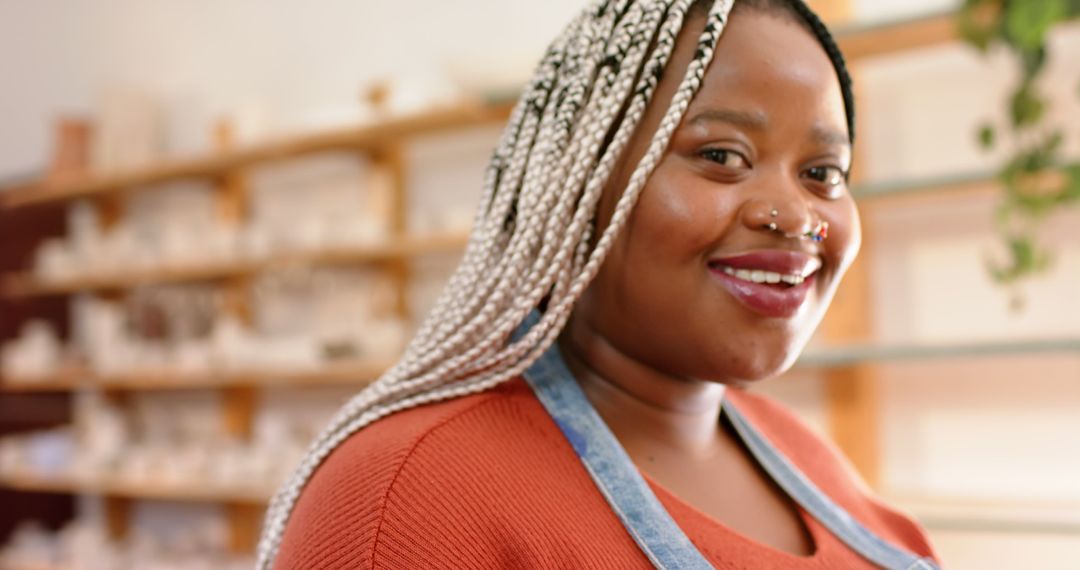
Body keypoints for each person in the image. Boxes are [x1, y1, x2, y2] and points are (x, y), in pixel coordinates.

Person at [258, 0, 941, 568]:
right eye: (721, 156)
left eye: (823, 173)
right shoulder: (403, 497)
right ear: (578, 181)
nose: (795, 215)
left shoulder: (799, 450)